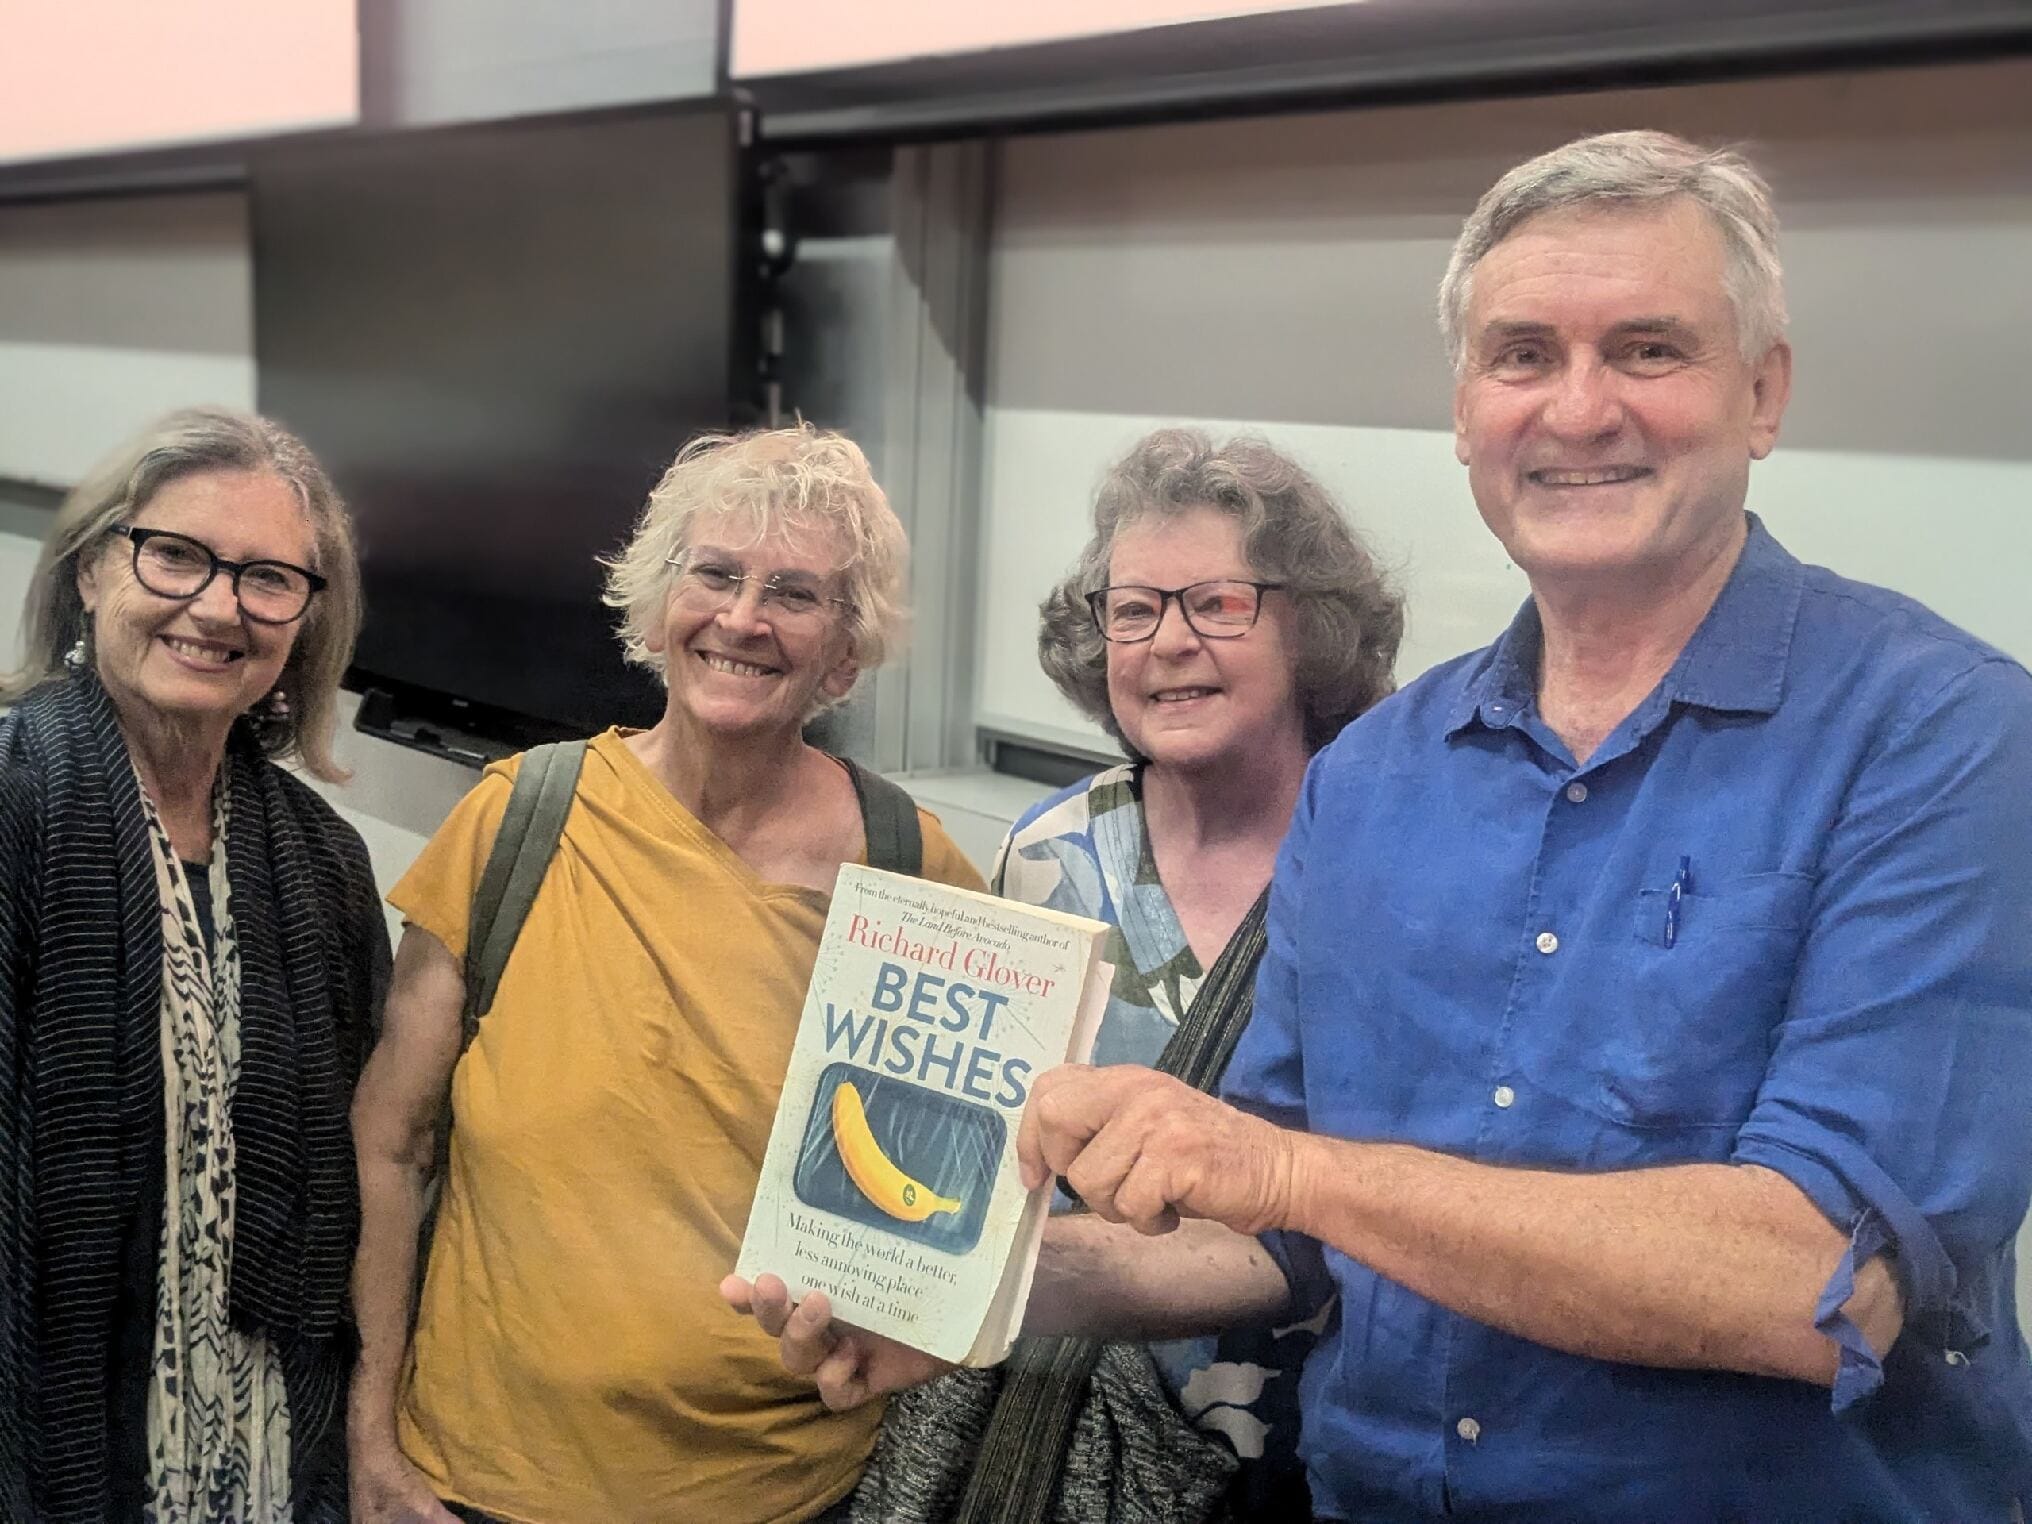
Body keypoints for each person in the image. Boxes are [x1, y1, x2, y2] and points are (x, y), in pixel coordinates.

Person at [733, 131, 2032, 1520]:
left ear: (1763, 393)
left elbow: (1814, 1288)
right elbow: (1276, 1240)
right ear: (1466, 413)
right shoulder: (1380, 779)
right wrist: (975, 1287)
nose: (1579, 410)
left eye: (1650, 350)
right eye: (1523, 355)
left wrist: (1297, 1171)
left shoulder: (1941, 738)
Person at [347, 424, 986, 1524]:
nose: (743, 619)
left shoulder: (912, 872)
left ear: (846, 650)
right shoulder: (517, 818)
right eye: (717, 574)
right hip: (480, 1482)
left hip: (780, 1494)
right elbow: (390, 1145)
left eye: (796, 593)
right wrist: (370, 1438)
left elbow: (949, 1207)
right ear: (657, 604)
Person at [847, 428, 1402, 1522]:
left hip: (1309, 1458)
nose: (1168, 643)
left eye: (1218, 604)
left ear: (1313, 629)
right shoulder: (1045, 850)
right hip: (1054, 1418)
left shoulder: (1392, 866)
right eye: (1135, 610)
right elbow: (982, 1147)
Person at [0, 406, 390, 1524]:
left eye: (269, 578)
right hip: (51, 1441)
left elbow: (360, 1182)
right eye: (175, 555)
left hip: (263, 1452)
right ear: (90, 570)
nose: (217, 606)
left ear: (306, 622)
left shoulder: (323, 864)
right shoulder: (17, 803)